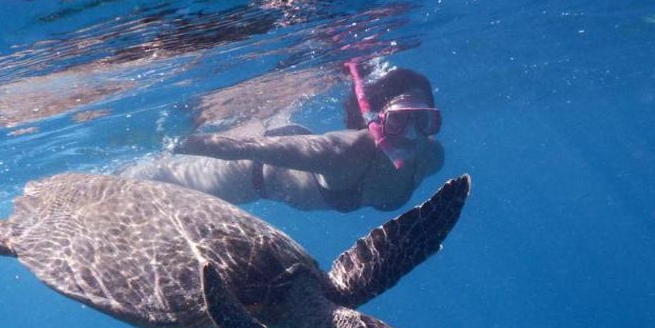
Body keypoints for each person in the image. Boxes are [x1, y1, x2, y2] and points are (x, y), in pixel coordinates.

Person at [119, 64, 445, 212]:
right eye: (399, 120)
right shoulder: (341, 151)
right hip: (249, 174)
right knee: (154, 178)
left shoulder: (431, 158)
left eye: (423, 119)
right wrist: (172, 140)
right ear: (376, 120)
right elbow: (242, 149)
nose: (413, 132)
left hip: (292, 147)